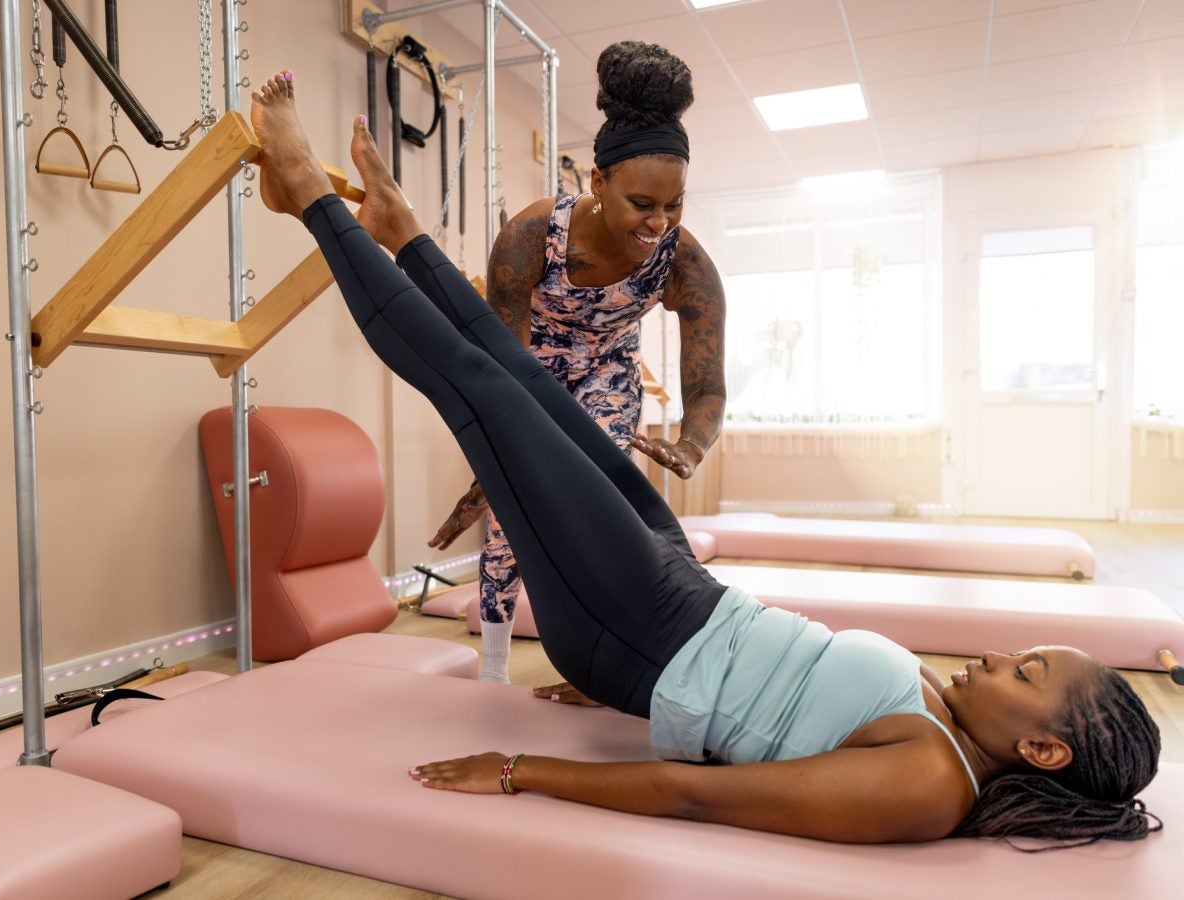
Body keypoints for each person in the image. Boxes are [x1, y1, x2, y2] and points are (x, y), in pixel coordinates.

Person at [250, 71, 1162, 847]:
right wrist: (633, 699)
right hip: (677, 603)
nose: (1000, 660)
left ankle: (309, 192)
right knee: (522, 381)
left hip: (643, 623)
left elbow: (704, 793)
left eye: (1026, 674)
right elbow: (770, 715)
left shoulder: (931, 783)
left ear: (1044, 749)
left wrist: (525, 769)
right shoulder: (948, 723)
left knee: (475, 391)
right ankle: (402, 228)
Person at [424, 41, 727, 684]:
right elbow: (497, 366)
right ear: (597, 183)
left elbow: (708, 388)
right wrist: (490, 471)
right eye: (643, 204)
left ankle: (610, 662)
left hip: (609, 376)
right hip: (527, 375)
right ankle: (496, 666)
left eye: (674, 205)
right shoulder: (532, 239)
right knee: (511, 516)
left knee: (596, 509)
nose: (660, 222)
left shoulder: (686, 265)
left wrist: (693, 445)